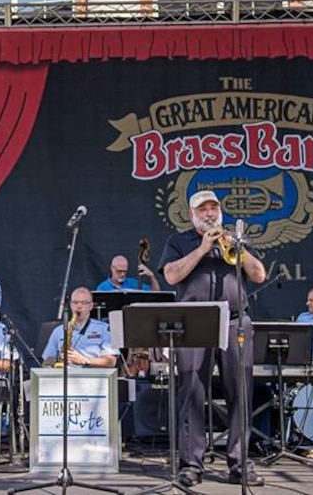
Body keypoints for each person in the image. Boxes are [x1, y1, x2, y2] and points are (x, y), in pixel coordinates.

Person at [159, 189, 266, 487]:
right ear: (192, 214)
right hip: (194, 321)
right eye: (202, 210)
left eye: (213, 209)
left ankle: (240, 463)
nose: (209, 214)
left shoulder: (235, 239)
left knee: (239, 393)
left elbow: (259, 275)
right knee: (192, 390)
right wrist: (202, 249)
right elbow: (171, 275)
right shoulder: (178, 241)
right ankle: (192, 464)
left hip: (235, 321)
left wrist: (238, 249)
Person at [42, 288, 117, 368]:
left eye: (84, 303)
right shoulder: (58, 331)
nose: (79, 306)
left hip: (91, 377)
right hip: (64, 376)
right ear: (71, 305)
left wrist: (84, 360)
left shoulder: (103, 329)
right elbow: (48, 360)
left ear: (91, 306)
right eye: (75, 302)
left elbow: (111, 362)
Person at [95, 254, 160, 292]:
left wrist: (152, 276)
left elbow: (155, 294)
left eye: (125, 271)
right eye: (119, 271)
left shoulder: (134, 283)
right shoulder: (102, 288)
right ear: (112, 268)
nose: (123, 274)